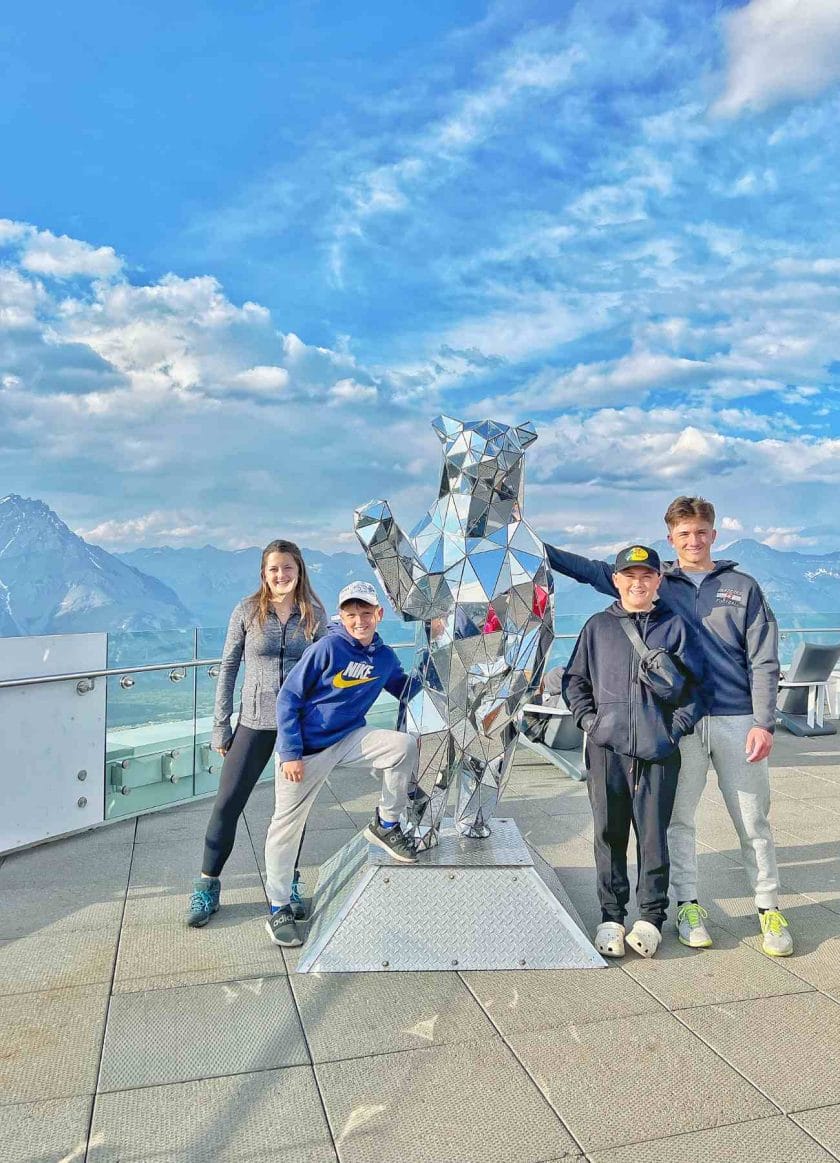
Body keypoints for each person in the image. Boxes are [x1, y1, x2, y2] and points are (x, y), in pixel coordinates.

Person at [546, 496, 794, 957]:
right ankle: (687, 906)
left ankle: (768, 907)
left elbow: (764, 657)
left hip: (736, 717)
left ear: (713, 534)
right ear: (671, 540)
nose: (693, 541)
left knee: (752, 818)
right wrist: (531, 543)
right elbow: (590, 570)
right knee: (675, 822)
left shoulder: (742, 586)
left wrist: (764, 721)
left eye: (700, 532)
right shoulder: (661, 582)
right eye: (684, 535)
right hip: (680, 726)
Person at [562, 545, 705, 958]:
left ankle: (651, 917)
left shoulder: (677, 627)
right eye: (630, 575)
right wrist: (591, 722)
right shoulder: (597, 627)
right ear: (617, 580)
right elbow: (575, 681)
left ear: (659, 580)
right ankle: (610, 916)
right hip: (608, 749)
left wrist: (673, 732)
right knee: (608, 834)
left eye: (646, 575)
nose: (638, 583)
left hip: (659, 752)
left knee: (653, 836)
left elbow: (697, 690)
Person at [264, 580, 419, 947]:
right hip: (307, 750)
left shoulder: (383, 657)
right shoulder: (327, 648)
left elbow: (405, 688)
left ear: (379, 614)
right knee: (286, 827)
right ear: (341, 616)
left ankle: (386, 822)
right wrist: (290, 753)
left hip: (349, 738)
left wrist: (450, 688)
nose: (359, 621)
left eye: (366, 613)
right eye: (351, 614)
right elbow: (288, 698)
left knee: (402, 746)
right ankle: (279, 907)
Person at [185, 540, 327, 927]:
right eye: (273, 569)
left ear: (299, 571)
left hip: (298, 729)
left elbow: (328, 669)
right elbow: (228, 667)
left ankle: (288, 884)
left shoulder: (313, 613)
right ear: (264, 574)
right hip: (253, 722)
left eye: (287, 568)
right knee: (227, 804)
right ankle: (207, 885)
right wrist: (221, 724)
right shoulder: (247, 611)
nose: (281, 575)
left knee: (292, 813)